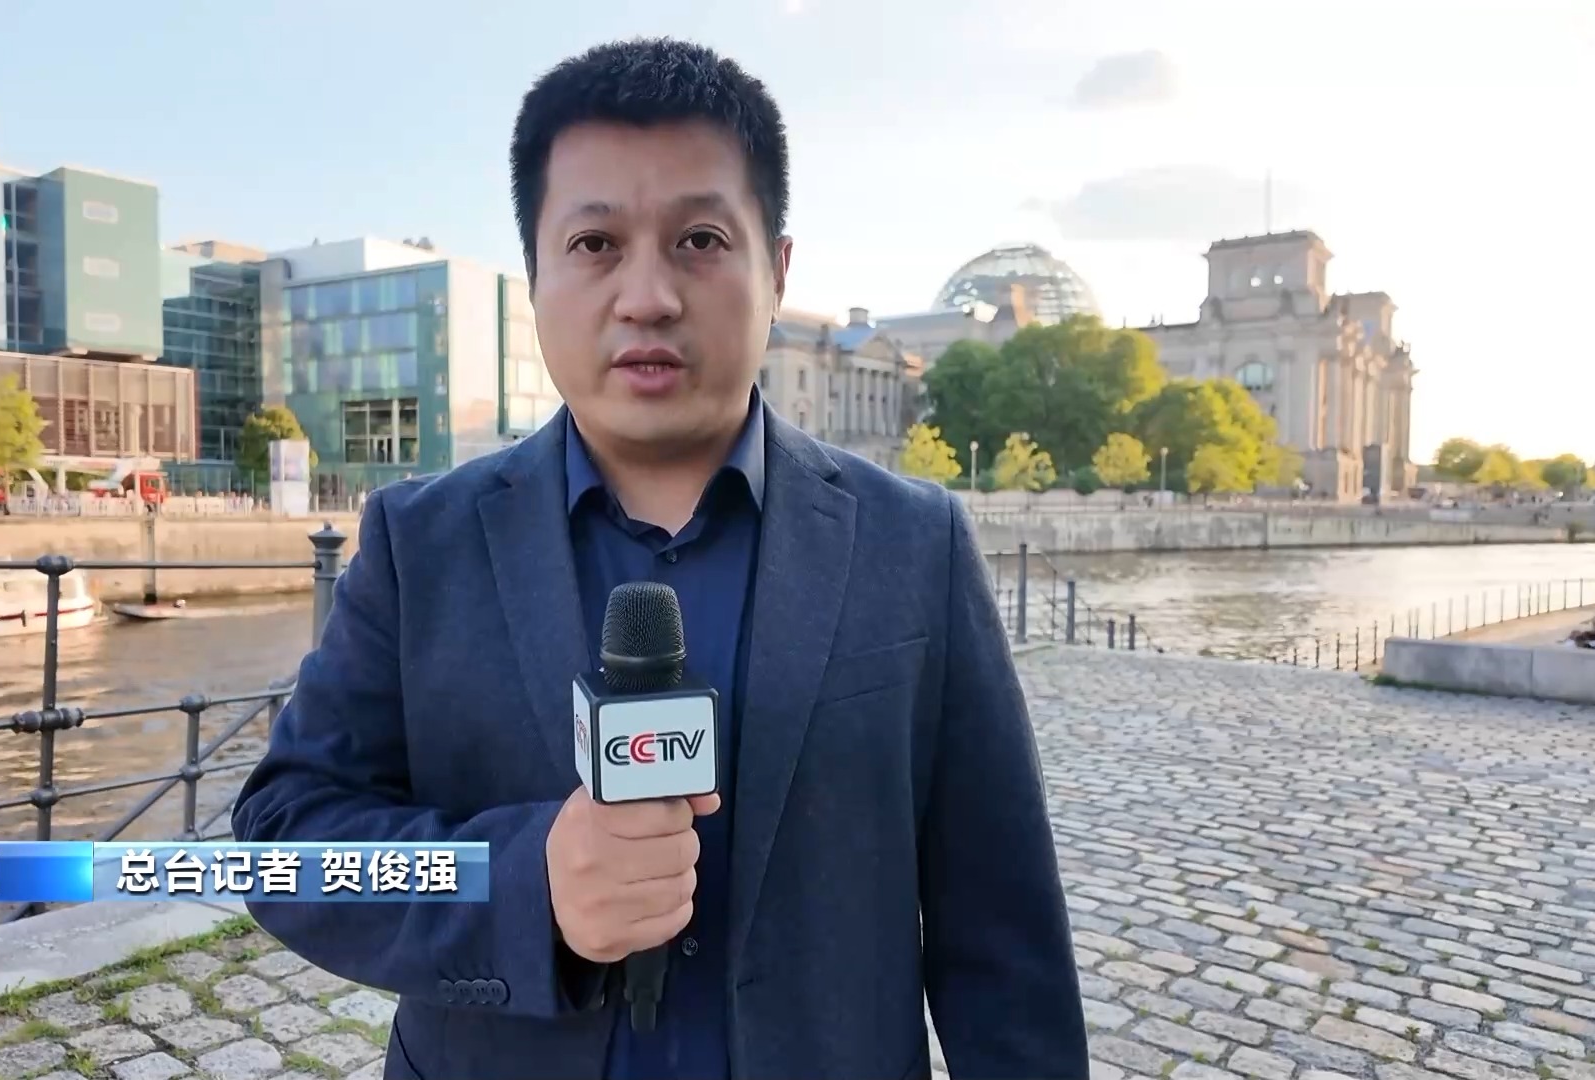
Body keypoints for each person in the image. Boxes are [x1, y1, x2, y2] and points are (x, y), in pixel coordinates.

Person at [232, 37, 1085, 1080]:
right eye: (595, 244)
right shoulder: (421, 544)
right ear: (536, 276)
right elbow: (286, 845)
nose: (648, 295)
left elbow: (1001, 926)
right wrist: (529, 883)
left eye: (699, 239)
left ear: (776, 270)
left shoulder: (915, 543)